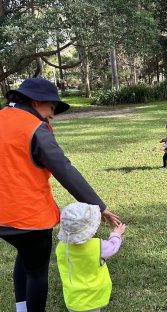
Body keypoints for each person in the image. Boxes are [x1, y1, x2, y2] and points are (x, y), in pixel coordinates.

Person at [0, 78, 121, 312]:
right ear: (36, 102)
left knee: (24, 255)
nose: (52, 116)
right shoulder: (35, 128)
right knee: (36, 272)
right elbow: (63, 168)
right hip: (29, 219)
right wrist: (98, 206)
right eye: (51, 108)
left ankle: (21, 308)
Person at [56, 202, 126, 312]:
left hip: (73, 298)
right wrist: (116, 234)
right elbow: (113, 247)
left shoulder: (61, 247)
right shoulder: (98, 246)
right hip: (92, 298)